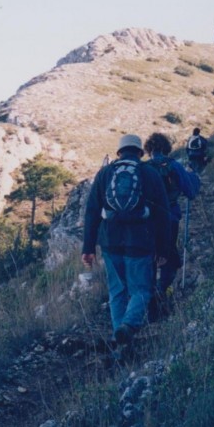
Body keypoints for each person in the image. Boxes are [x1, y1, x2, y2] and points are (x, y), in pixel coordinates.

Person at [82, 134, 171, 351]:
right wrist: (164, 248)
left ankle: (119, 343)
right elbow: (162, 215)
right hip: (141, 242)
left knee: (117, 292)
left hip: (110, 243)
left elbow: (92, 212)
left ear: (119, 152)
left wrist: (88, 248)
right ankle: (128, 326)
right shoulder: (150, 173)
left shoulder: (104, 174)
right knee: (141, 290)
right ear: (140, 152)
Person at [143, 132, 200, 318]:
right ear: (167, 148)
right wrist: (194, 178)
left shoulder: (143, 168)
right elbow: (190, 192)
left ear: (148, 149)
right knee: (169, 258)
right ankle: (162, 290)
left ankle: (150, 299)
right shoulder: (174, 165)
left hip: (146, 222)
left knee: (150, 258)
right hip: (170, 219)